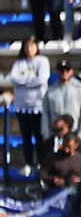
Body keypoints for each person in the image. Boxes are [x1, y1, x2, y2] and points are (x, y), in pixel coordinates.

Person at [8, 37, 48, 173]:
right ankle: (28, 163)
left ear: (37, 47)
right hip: (21, 106)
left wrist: (23, 81)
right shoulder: (19, 62)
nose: (29, 49)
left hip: (38, 105)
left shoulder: (42, 61)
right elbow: (13, 79)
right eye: (27, 46)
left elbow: (41, 79)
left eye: (32, 46)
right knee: (26, 137)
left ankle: (41, 163)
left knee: (39, 136)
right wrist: (31, 80)